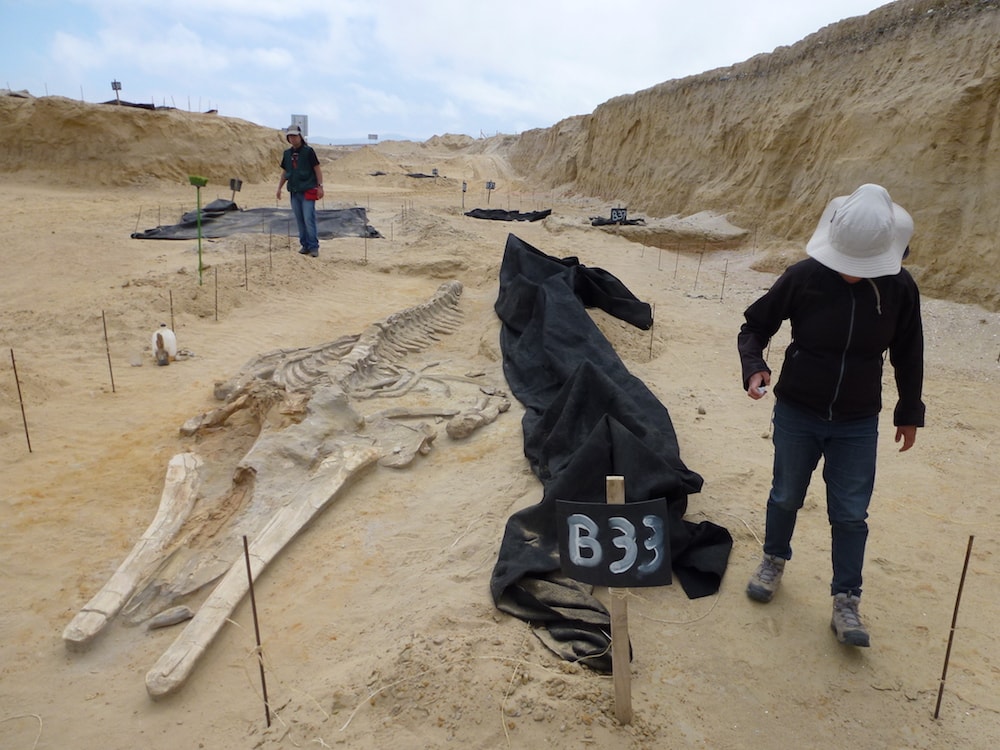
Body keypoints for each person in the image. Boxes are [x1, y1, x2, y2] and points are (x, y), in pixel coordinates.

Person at [737, 183, 925, 648]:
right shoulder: (803, 276)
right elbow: (755, 325)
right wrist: (754, 366)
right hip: (798, 410)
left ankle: (846, 601)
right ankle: (773, 561)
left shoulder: (900, 287)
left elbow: (909, 351)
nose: (852, 274)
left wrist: (909, 410)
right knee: (784, 496)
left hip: (858, 420)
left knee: (850, 514)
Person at [276, 124, 324, 257]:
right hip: (294, 191)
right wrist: (279, 188)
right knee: (299, 219)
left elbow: (317, 169)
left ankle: (313, 246)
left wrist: (320, 186)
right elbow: (285, 172)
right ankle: (305, 245)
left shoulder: (309, 151)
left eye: (295, 136)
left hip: (307, 190)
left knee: (309, 218)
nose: (293, 138)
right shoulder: (287, 154)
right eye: (290, 136)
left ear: (300, 136)